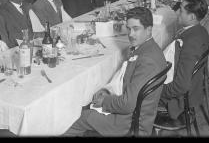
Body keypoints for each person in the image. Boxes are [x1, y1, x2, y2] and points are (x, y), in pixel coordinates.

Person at [64, 7, 166, 136]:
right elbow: (126, 80)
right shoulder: (147, 49)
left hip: (130, 124)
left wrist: (105, 101)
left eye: (136, 29)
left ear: (149, 29)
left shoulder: (147, 60)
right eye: (129, 29)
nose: (131, 34)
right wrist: (108, 91)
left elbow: (128, 104)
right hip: (137, 114)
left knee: (78, 118)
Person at [159, 0, 209, 124]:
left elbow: (181, 86)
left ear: (192, 17)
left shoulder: (191, 42)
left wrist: (158, 90)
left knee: (135, 91)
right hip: (193, 86)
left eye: (181, 11)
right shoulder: (200, 30)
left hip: (180, 99)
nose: (177, 13)